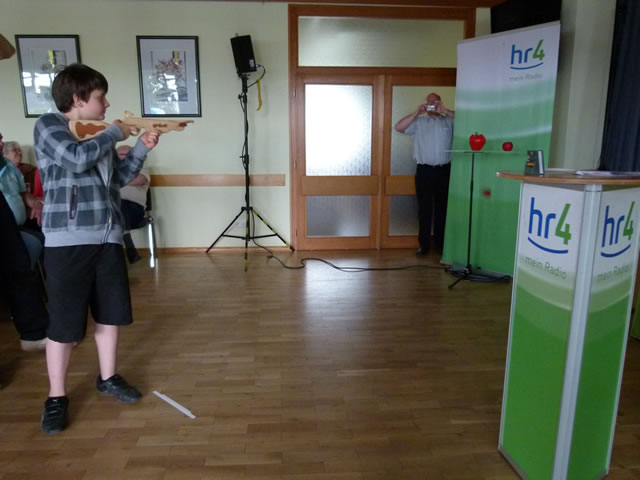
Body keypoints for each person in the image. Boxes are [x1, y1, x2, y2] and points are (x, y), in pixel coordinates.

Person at [33, 63, 160, 434]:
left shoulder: (98, 134)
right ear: (77, 99)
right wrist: (115, 133)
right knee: (64, 325)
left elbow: (117, 179)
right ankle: (56, 397)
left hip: (107, 238)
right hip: (67, 241)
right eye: (100, 98)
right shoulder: (49, 125)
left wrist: (140, 148)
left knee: (109, 315)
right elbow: (75, 159)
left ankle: (108, 377)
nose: (106, 105)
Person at [0, 132, 48, 352]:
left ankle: (34, 334)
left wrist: (35, 204)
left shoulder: (7, 165)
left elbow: (21, 192)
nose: (1, 141)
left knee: (20, 270)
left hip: (11, 224)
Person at [394, 92, 455, 255]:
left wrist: (446, 111)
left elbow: (467, 122)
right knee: (424, 209)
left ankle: (441, 244)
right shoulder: (418, 122)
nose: (432, 104)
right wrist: (416, 112)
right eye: (429, 102)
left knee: (443, 208)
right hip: (424, 171)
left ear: (440, 103)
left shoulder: (449, 121)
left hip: (444, 170)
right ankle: (424, 245)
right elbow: (398, 127)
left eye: (435, 102)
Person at [117, 145, 150, 264]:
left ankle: (125, 245)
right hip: (113, 210)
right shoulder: (109, 168)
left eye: (129, 155)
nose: (127, 158)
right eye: (123, 155)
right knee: (116, 206)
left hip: (135, 210)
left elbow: (139, 180)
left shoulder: (141, 167)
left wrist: (114, 179)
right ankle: (126, 240)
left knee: (121, 205)